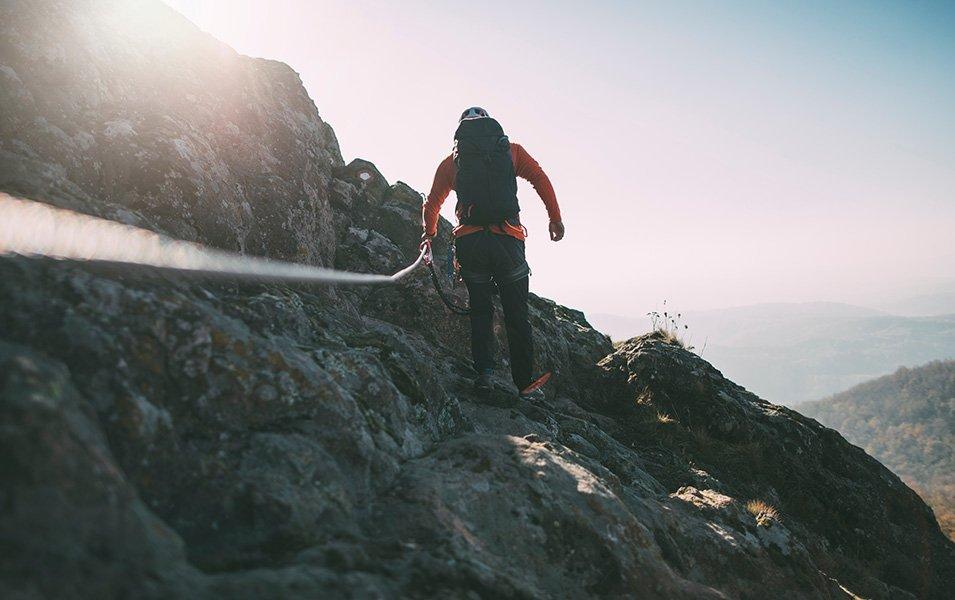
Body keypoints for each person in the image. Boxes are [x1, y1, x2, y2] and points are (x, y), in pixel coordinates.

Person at [421, 106, 564, 399]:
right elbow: (540, 178)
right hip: (508, 241)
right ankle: (524, 383)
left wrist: (430, 234)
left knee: (481, 311)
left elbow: (432, 203)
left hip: (471, 244)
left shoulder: (453, 162)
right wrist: (555, 217)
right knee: (516, 312)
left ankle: (484, 375)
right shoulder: (510, 151)